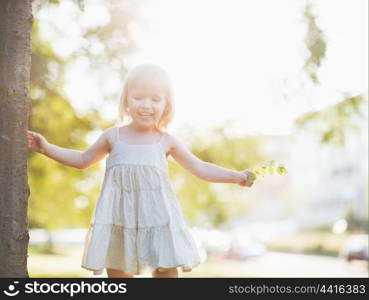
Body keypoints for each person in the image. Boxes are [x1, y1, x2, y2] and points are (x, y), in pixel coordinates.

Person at [27, 63, 254, 278]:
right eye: (138, 97)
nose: (146, 105)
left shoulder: (166, 141)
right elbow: (82, 159)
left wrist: (236, 176)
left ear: (167, 105)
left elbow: (200, 167)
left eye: (155, 99)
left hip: (158, 222)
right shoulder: (112, 137)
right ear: (126, 101)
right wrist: (47, 148)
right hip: (118, 222)